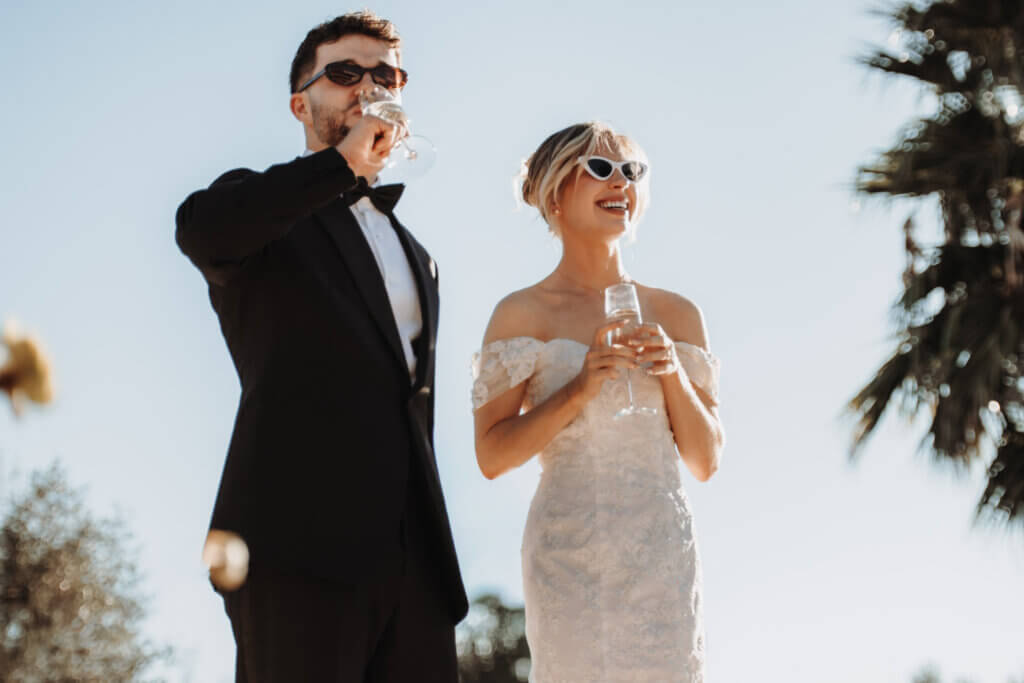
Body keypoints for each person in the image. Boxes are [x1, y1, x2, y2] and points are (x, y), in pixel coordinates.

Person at [175, 11, 467, 682]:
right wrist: (339, 165)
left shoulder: (418, 255)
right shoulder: (264, 214)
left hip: (417, 570)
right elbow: (202, 231)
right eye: (345, 72)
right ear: (300, 103)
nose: (369, 86)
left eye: (386, 75)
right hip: (298, 546)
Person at [472, 122, 725, 682]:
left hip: (661, 552)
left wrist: (672, 372)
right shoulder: (520, 314)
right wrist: (580, 387)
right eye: (602, 169)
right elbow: (492, 455)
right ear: (556, 193)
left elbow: (706, 460)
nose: (621, 183)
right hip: (568, 552)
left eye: (632, 171)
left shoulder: (678, 314)